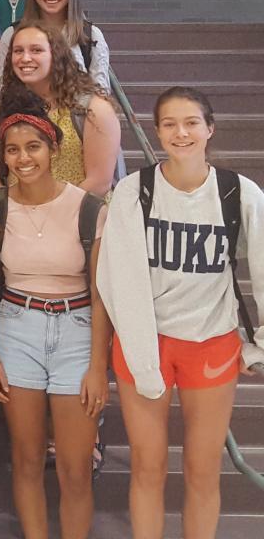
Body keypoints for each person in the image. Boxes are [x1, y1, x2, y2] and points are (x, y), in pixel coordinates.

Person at [98, 86, 264, 539]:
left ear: (210, 129)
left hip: (211, 341)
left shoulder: (238, 192)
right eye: (169, 124)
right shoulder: (134, 190)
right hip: (144, 341)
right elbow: (117, 280)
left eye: (191, 122)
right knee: (147, 468)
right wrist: (140, 353)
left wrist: (258, 345)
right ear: (156, 131)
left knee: (202, 470)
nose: (181, 132)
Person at [0, 93, 110, 539]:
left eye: (33, 147)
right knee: (27, 458)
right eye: (12, 150)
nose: (23, 158)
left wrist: (98, 366)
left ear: (54, 148)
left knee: (75, 467)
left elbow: (101, 295)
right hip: (16, 327)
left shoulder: (89, 208)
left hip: (77, 330)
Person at [0, 25, 121, 196]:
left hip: (81, 209)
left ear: (57, 55)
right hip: (16, 210)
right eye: (18, 51)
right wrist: (11, 208)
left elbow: (99, 182)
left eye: (36, 50)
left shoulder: (93, 109)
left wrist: (54, 209)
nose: (25, 58)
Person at [0, 0, 111, 99]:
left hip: (78, 111)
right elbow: (3, 89)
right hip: (25, 111)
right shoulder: (12, 34)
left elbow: (101, 93)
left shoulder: (90, 35)